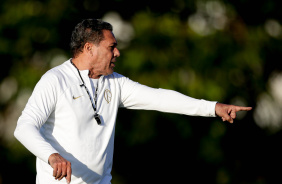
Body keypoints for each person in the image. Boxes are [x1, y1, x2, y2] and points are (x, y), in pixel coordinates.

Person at [14, 19, 252, 184]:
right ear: (89, 48)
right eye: (112, 47)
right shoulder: (55, 79)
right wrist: (52, 156)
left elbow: (160, 97)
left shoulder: (115, 82)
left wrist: (212, 107)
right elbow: (24, 126)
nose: (117, 53)